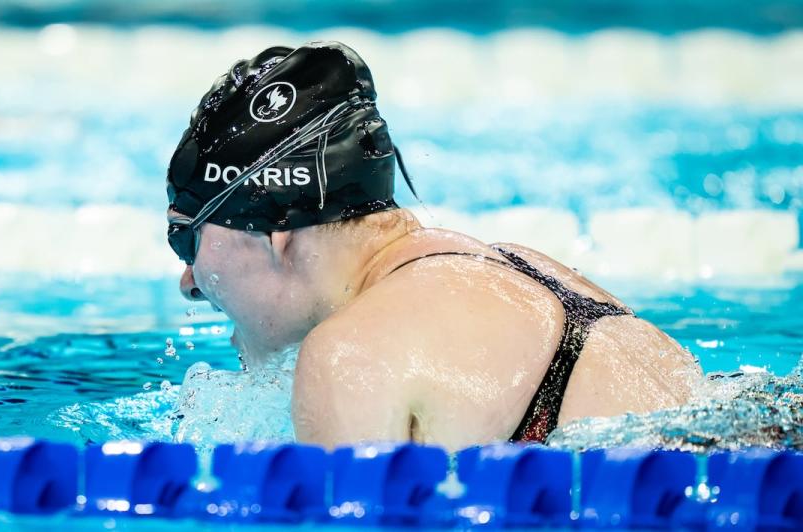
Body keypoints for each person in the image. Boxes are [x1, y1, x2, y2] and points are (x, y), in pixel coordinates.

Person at [165, 41, 701, 450]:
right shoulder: (526, 266)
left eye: (186, 239)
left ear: (274, 233)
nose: (189, 282)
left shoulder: (347, 357)